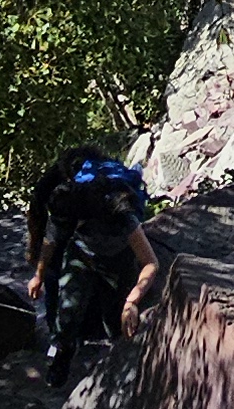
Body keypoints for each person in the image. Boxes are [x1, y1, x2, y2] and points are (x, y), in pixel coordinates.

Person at [25, 145, 169, 390]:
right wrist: (38, 275)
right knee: (68, 308)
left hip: (118, 260)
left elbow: (150, 261)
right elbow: (51, 241)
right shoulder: (67, 203)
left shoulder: (121, 214)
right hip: (80, 256)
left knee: (114, 320)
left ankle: (119, 367)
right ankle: (63, 353)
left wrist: (132, 302)